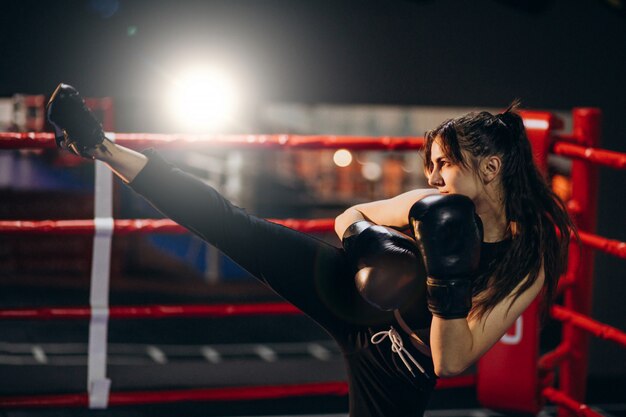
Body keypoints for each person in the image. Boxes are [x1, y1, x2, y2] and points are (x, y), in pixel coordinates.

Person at [46, 83, 573, 417]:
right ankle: (99, 146)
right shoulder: (426, 204)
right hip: (352, 295)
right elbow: (349, 217)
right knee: (234, 227)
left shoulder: (530, 261)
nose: (432, 177)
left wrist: (444, 275)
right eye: (430, 165)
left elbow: (452, 360)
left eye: (443, 164)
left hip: (402, 366)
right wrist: (373, 248)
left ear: (490, 167)